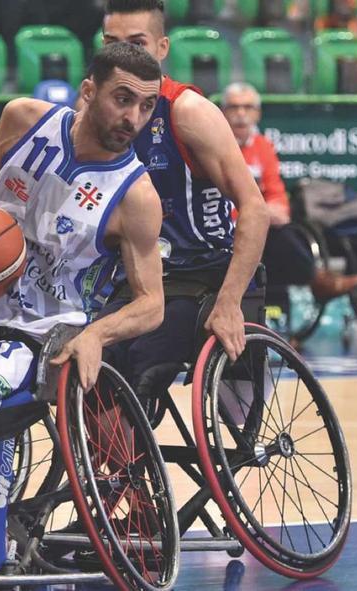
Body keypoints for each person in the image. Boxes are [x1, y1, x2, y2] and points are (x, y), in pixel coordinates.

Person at [0, 41, 165, 575]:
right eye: (122, 99)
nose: (134, 117)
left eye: (147, 106)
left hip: (42, 331)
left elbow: (152, 303)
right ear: (88, 92)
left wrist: (95, 336)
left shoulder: (136, 195)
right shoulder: (23, 119)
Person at [97, 0, 269, 402]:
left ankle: (127, 456)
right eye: (111, 44)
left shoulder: (188, 112)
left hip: (198, 280)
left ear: (162, 48)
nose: (123, 56)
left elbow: (256, 209)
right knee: (80, 362)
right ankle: (111, 460)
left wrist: (229, 303)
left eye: (136, 43)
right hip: (129, 282)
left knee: (139, 364)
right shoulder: (92, 112)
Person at [221, 82, 357, 301]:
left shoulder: (263, 146)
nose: (241, 114)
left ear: (257, 114)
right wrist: (256, 214)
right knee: (277, 238)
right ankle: (316, 281)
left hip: (259, 225)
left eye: (248, 107)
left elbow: (277, 195)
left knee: (287, 233)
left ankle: (289, 321)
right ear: (222, 112)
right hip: (225, 227)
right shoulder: (216, 147)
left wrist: (269, 212)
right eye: (233, 107)